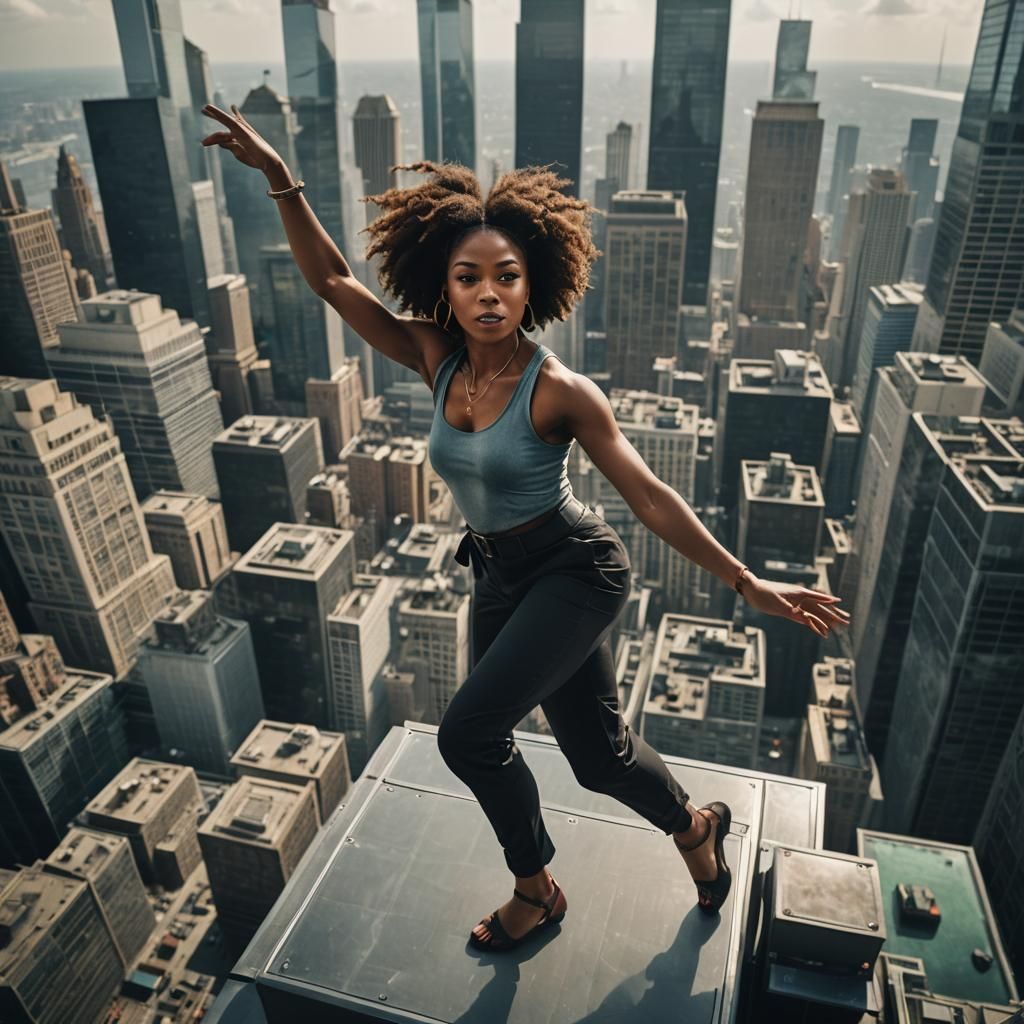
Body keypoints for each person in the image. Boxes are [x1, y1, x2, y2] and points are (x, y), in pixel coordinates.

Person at [201, 102, 850, 954]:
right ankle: (696, 827)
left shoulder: (562, 391)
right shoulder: (434, 356)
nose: (488, 293)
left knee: (470, 734)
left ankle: (535, 891)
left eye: (505, 276)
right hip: (498, 574)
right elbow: (331, 282)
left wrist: (746, 580)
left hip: (576, 570)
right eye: (468, 277)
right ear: (444, 286)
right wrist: (281, 178)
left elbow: (650, 496)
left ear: (530, 284)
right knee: (598, 756)